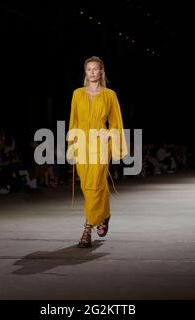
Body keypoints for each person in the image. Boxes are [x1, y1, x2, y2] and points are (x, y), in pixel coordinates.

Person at [67, 56, 128, 248]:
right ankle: (104, 214)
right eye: (89, 69)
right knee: (88, 186)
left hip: (101, 145)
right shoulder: (77, 94)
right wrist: (71, 144)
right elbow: (73, 120)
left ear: (102, 72)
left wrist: (109, 135)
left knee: (95, 183)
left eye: (96, 69)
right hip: (82, 143)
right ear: (85, 72)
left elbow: (116, 121)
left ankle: (87, 229)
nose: (92, 72)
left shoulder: (110, 95)